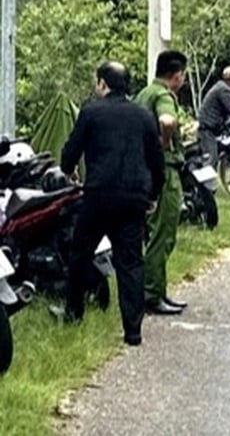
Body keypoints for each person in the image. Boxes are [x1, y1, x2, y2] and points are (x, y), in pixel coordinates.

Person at [60, 62, 164, 347]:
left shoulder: (91, 112)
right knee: (130, 263)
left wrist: (68, 169)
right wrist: (153, 194)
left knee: (80, 254)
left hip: (98, 196)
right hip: (133, 199)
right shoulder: (143, 116)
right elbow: (157, 160)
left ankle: (73, 313)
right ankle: (133, 332)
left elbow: (71, 150)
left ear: (103, 84)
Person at [134, 50, 189, 315]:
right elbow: (167, 120)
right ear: (177, 75)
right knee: (163, 234)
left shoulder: (144, 93)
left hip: (143, 168)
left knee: (152, 232)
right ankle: (152, 294)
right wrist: (166, 142)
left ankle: (155, 290)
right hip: (164, 171)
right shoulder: (164, 96)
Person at [197, 66, 230, 161]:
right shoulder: (223, 90)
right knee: (210, 160)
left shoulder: (221, 87)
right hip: (208, 129)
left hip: (214, 126)